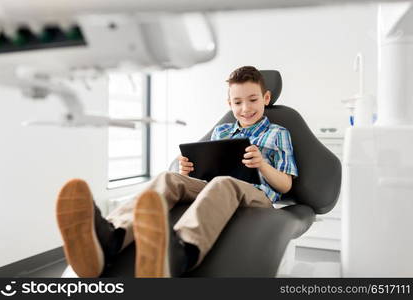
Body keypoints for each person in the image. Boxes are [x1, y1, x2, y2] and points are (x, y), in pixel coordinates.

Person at [56, 66, 298, 278]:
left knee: (224, 182)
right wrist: (189, 172)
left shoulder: (279, 133)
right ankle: (111, 238)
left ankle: (181, 252)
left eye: (253, 100)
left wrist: (263, 165)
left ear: (266, 98)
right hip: (217, 187)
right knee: (169, 178)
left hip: (258, 196)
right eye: (237, 102)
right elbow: (207, 178)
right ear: (229, 104)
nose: (245, 108)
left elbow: (286, 185)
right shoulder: (221, 131)